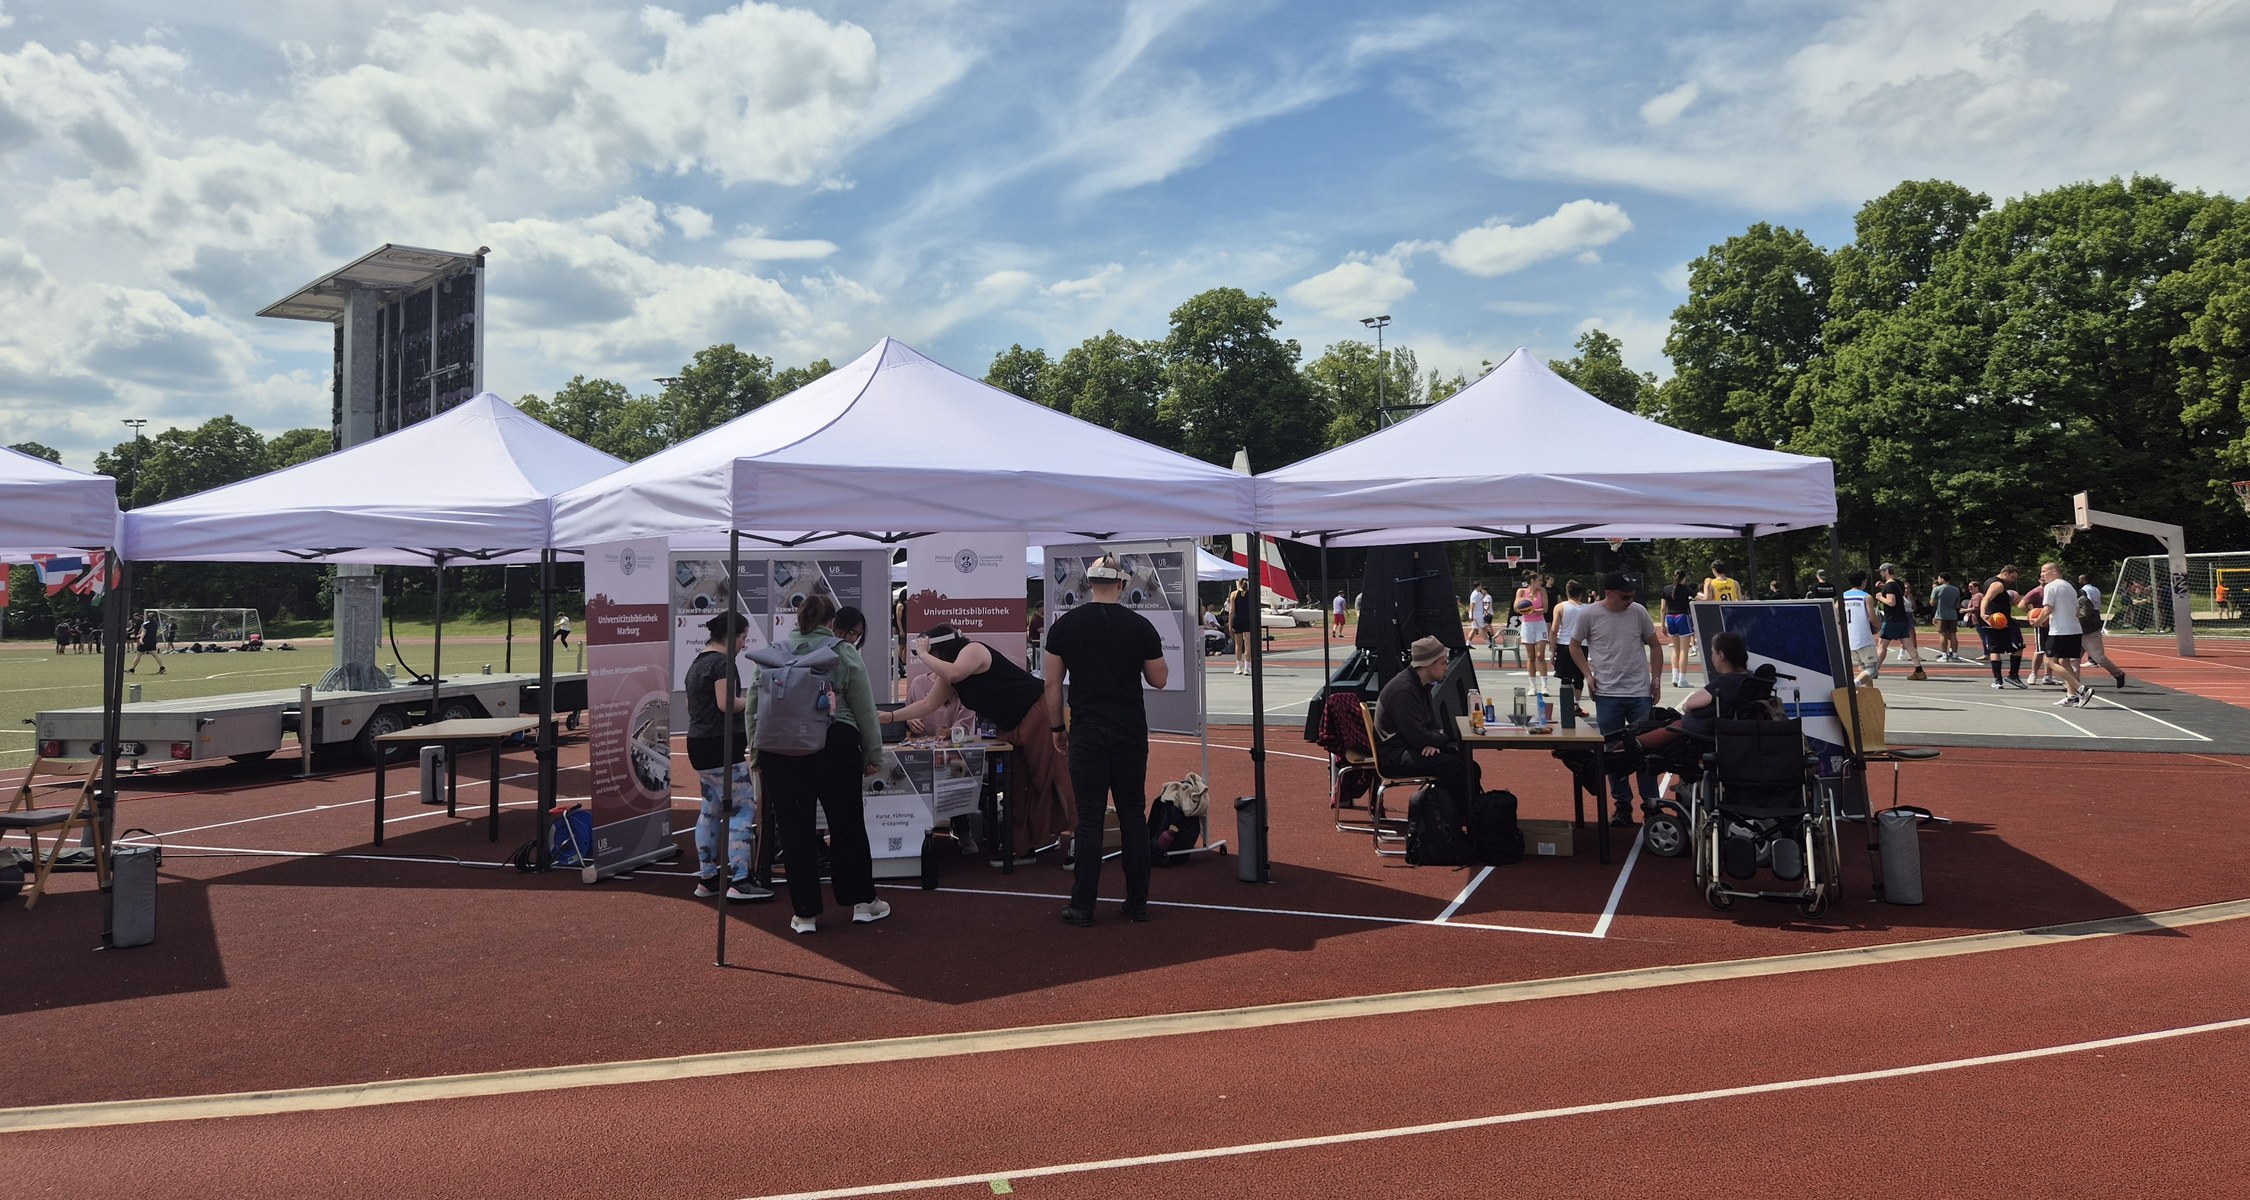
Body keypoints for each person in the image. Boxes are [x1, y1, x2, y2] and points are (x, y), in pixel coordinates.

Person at [885, 623, 1075, 867]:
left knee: (1055, 776)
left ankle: (1080, 841)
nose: (928, 660)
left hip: (1036, 712)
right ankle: (1023, 847)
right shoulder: (949, 675)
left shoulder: (973, 650)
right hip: (1009, 725)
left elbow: (955, 673)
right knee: (1018, 786)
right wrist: (890, 717)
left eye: (931, 652)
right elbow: (927, 704)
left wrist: (922, 653)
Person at [1045, 554, 1166, 926]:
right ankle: (1137, 903)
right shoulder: (1140, 626)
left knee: (1089, 819)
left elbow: (1052, 685)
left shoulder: (1064, 627)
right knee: (1132, 815)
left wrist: (1057, 728)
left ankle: (1082, 906)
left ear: (1088, 583)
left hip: (1087, 730)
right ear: (1122, 584)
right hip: (1129, 730)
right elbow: (1159, 679)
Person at [759, 593, 886, 935]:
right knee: (847, 825)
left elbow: (757, 705)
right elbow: (864, 708)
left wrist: (756, 753)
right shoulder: (842, 652)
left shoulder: (774, 651)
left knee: (794, 831)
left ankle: (805, 915)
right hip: (834, 741)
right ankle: (862, 903)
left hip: (781, 748)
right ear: (831, 622)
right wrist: (873, 754)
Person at [684, 613, 773, 903]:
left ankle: (708, 877)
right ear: (731, 636)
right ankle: (741, 879)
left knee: (710, 809)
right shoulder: (723, 663)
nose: (744, 644)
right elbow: (726, 704)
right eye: (743, 638)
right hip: (720, 745)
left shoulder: (698, 663)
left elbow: (691, 704)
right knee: (742, 809)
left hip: (699, 742)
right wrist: (756, 700)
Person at [1570, 573, 1664, 826]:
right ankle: (1622, 804)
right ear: (1608, 593)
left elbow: (1655, 645)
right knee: (1613, 753)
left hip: (1639, 692)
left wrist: (1656, 679)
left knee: (1645, 749)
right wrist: (1587, 675)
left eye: (1632, 596)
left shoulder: (1638, 612)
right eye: (1624, 596)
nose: (1629, 601)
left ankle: (1651, 804)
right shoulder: (1589, 614)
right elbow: (1574, 645)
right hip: (1607, 693)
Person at [1375, 635, 1479, 792]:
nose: (1446, 667)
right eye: (1443, 663)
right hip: (1395, 755)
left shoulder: (1421, 685)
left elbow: (1433, 725)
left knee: (1470, 767)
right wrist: (1440, 738)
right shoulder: (1403, 691)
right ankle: (1448, 806)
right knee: (1456, 768)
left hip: (1411, 747)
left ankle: (1458, 806)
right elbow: (1417, 737)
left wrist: (1433, 740)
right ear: (1428, 664)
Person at [2037, 562, 2090, 707]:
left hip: (2060, 630)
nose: (2042, 574)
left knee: (2049, 662)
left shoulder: (2050, 587)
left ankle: (2081, 689)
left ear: (2054, 571)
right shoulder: (2069, 587)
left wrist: (2037, 621)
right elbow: (2077, 611)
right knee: (2064, 662)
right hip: (2074, 629)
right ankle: (2071, 696)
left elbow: (2047, 609)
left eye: (2044, 571)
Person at [1875, 563, 1927, 680]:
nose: (1881, 574)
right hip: (1902, 618)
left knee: (1882, 645)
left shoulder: (1890, 585)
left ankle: (1874, 670)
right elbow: (1896, 595)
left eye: (1881, 571)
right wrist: (1884, 588)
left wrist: (1880, 597)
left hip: (1891, 619)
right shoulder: (1898, 584)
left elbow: (1891, 602)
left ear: (1886, 571)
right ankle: (1919, 670)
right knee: (1909, 645)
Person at [1978, 565, 2027, 689]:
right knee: (2018, 646)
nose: (2013, 580)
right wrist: (1982, 613)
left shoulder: (1989, 581)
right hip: (2000, 620)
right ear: (2005, 573)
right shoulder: (1998, 584)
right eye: (2012, 577)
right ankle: (2013, 675)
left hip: (1991, 621)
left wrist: (1984, 616)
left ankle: (1998, 681)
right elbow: (1986, 599)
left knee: (1995, 650)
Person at [2076, 574, 2126, 689]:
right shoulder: (2095, 590)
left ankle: (2118, 673)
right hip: (2079, 630)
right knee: (2074, 659)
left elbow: (2085, 613)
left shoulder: (2083, 598)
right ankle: (2073, 683)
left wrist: (2072, 618)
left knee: (2099, 658)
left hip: (2089, 629)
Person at [1549, 579, 1589, 717]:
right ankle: (1575, 704)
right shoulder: (1587, 609)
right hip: (1581, 644)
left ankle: (1567, 705)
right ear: (1581, 594)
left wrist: (1552, 651)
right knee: (1578, 676)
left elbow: (1554, 630)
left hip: (1564, 644)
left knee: (1565, 677)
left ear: (1567, 593)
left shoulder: (1560, 607)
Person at [1514, 573, 1552, 693]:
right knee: (1531, 656)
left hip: (1540, 623)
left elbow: (1545, 609)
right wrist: (1522, 607)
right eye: (1539, 580)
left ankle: (1544, 685)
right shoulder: (1521, 592)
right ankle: (1532, 686)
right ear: (1532, 581)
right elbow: (1516, 608)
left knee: (1540, 655)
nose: (1541, 582)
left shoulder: (1542, 592)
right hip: (1527, 624)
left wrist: (1532, 610)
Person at [1843, 571, 1881, 686]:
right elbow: (1873, 618)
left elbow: (1836, 613)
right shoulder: (1866, 597)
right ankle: (1853, 684)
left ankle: (1869, 694)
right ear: (1864, 581)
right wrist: (1878, 627)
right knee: (1872, 669)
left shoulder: (1843, 596)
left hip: (1849, 638)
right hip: (1863, 638)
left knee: (1864, 668)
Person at [1660, 569, 1697, 688]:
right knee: (1684, 651)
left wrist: (1662, 624)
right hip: (1682, 617)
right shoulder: (1686, 589)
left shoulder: (1666, 589)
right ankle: (1682, 679)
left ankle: (1674, 677)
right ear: (1684, 578)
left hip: (1670, 618)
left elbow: (1663, 608)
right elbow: (1696, 599)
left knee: (1675, 650)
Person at [1929, 571, 1965, 663]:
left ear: (1942, 579)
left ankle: (1944, 655)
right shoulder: (1956, 590)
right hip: (1952, 615)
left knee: (1943, 635)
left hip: (1941, 615)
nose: (1938, 580)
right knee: (1953, 635)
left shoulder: (1937, 589)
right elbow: (1957, 604)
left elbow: (1932, 603)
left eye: (1939, 578)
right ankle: (1955, 655)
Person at [1227, 579, 1256, 676]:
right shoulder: (1251, 594)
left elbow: (1231, 610)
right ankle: (1247, 667)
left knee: (1238, 644)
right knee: (1248, 644)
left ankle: (1238, 666)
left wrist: (1230, 623)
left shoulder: (1234, 594)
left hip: (1238, 619)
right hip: (1248, 619)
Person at [1467, 582, 1494, 647]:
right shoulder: (1474, 595)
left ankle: (1467, 644)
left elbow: (1481, 603)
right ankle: (1489, 643)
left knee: (1474, 629)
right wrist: (1472, 615)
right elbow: (1472, 605)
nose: (1481, 587)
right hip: (1476, 615)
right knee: (1482, 628)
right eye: (1481, 585)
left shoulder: (1479, 593)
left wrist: (1485, 611)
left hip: (1479, 614)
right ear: (1478, 586)